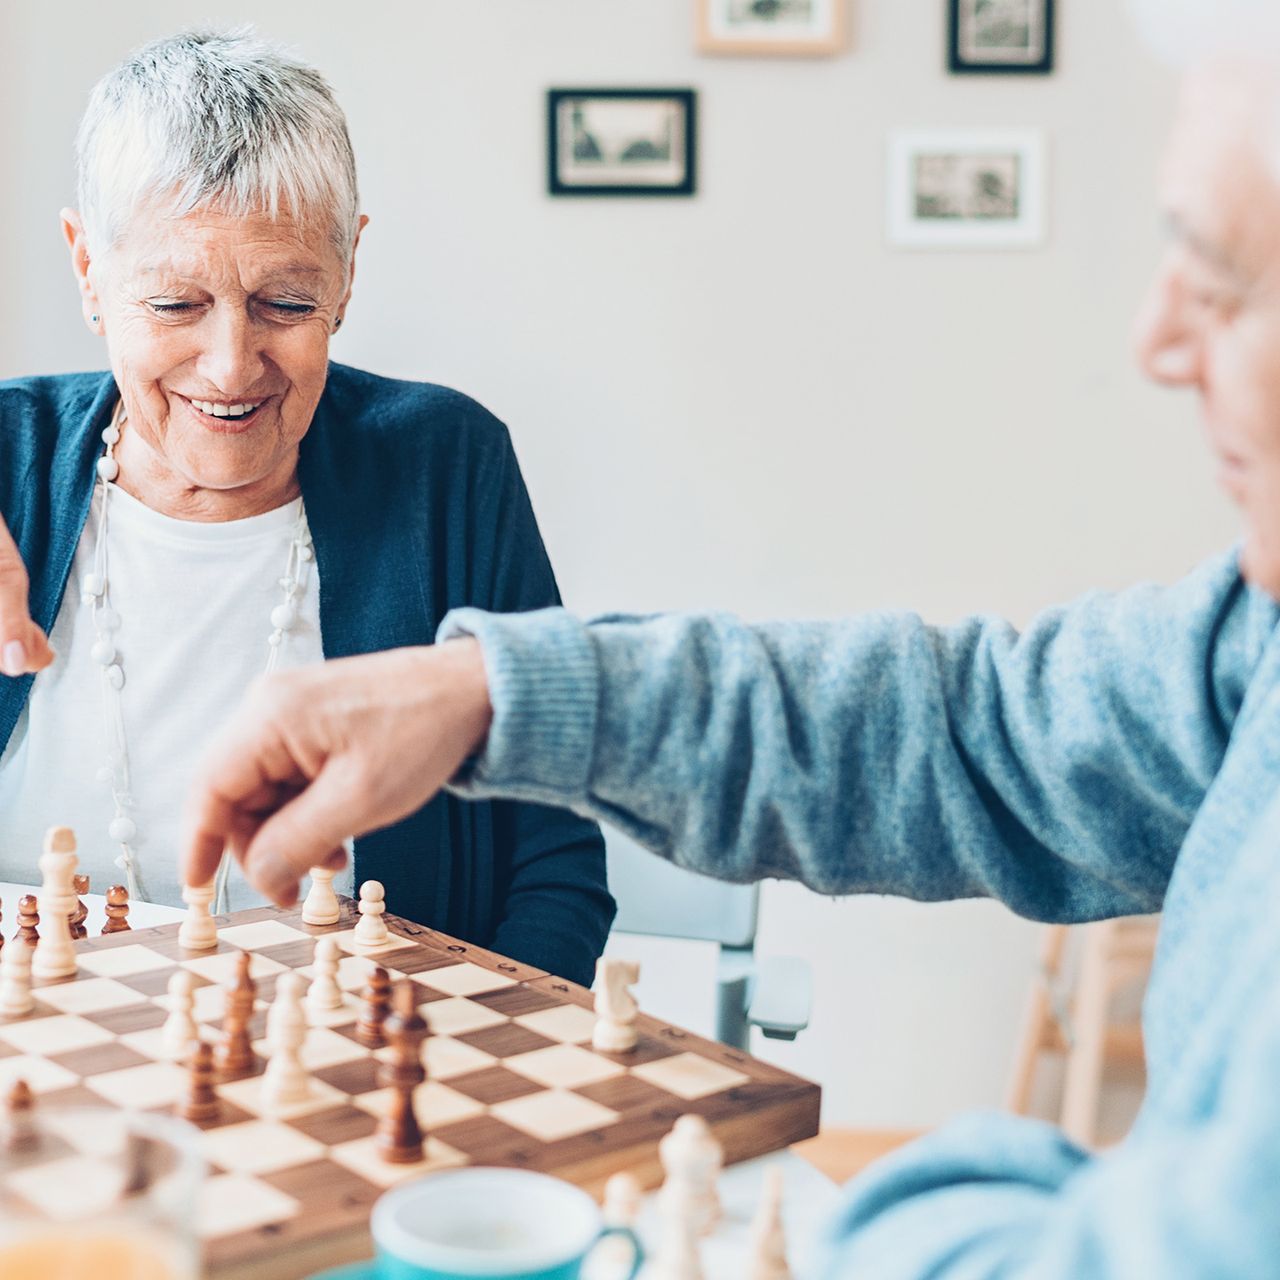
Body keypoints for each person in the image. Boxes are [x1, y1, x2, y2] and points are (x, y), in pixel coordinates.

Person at [185, 5, 1280, 1277]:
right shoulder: (1247, 642)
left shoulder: (441, 455)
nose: (1154, 340)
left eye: (1217, 274)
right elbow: (979, 730)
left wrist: (918, 1188)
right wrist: (493, 690)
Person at [0, 29, 614, 988]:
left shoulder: (447, 465)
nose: (231, 364)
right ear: (88, 268)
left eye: (286, 301)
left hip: (366, 1086)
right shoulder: (9, 458)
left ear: (349, 270)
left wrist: (459, 1073)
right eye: (174, 304)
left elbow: (555, 865)